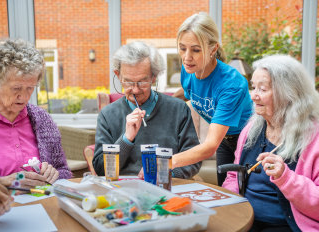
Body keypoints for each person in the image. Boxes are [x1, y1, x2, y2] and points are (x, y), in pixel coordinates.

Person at [223, 55, 319, 231]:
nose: (254, 96)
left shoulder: (314, 138)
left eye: (263, 89)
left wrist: (286, 177)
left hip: (286, 226)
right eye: (254, 87)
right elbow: (233, 177)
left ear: (288, 94)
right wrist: (229, 205)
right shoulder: (251, 129)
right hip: (245, 220)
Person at [93, 41, 201, 179]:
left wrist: (166, 173)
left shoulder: (178, 109)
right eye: (128, 82)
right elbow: (100, 169)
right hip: (123, 191)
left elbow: (194, 158)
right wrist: (126, 139)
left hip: (167, 186)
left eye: (142, 82)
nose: (136, 90)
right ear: (118, 75)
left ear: (154, 77)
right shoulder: (107, 115)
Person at [172, 12, 253, 186]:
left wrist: (165, 163)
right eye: (182, 48)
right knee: (225, 191)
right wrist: (161, 103)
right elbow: (188, 93)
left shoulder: (231, 84)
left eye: (196, 50)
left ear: (213, 49)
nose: (186, 57)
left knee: (245, 194)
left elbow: (209, 146)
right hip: (225, 139)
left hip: (249, 141)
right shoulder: (189, 70)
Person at [0, 39, 72, 187]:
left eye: (30, 88)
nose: (25, 97)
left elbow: (63, 170)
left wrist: (54, 175)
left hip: (40, 204)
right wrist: (3, 183)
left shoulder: (42, 119)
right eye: (16, 88)